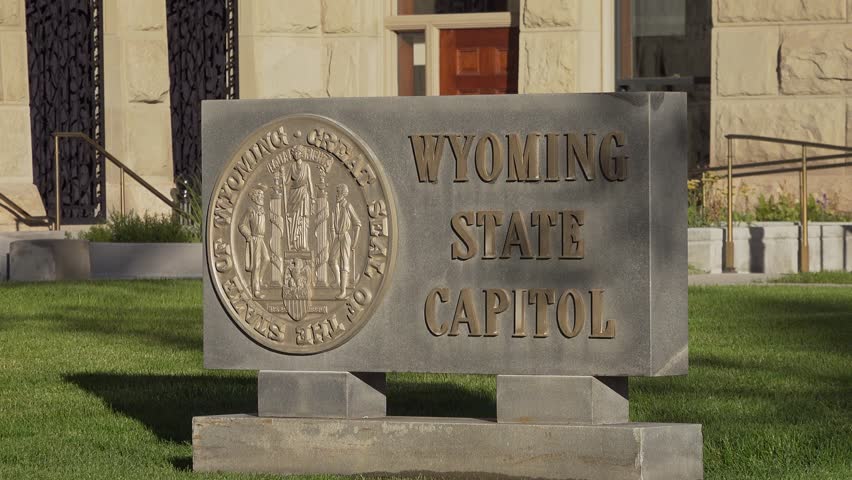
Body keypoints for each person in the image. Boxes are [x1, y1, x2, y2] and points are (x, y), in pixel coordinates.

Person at [331, 184, 361, 299]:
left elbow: (357, 223)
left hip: (345, 237)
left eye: (338, 192)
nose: (336, 194)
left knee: (344, 263)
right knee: (331, 260)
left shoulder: (348, 206)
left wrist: (355, 242)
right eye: (336, 191)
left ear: (343, 193)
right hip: (337, 237)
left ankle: (343, 291)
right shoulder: (336, 206)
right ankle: (338, 281)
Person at [239, 188, 269, 298]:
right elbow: (241, 224)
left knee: (267, 259)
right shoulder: (250, 210)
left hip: (262, 239)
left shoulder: (262, 209)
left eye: (262, 196)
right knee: (256, 265)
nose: (262, 197)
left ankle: (260, 279)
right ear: (255, 197)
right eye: (260, 196)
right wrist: (248, 236)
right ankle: (256, 290)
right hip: (255, 239)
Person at [283, 145, 314, 251]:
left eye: (298, 153)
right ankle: (294, 243)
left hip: (304, 194)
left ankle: (303, 244)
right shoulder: (292, 166)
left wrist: (313, 198)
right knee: (294, 218)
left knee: (303, 217)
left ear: (301, 154)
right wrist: (282, 175)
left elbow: (310, 182)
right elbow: (286, 181)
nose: (296, 155)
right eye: (294, 153)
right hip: (293, 194)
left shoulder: (306, 166)